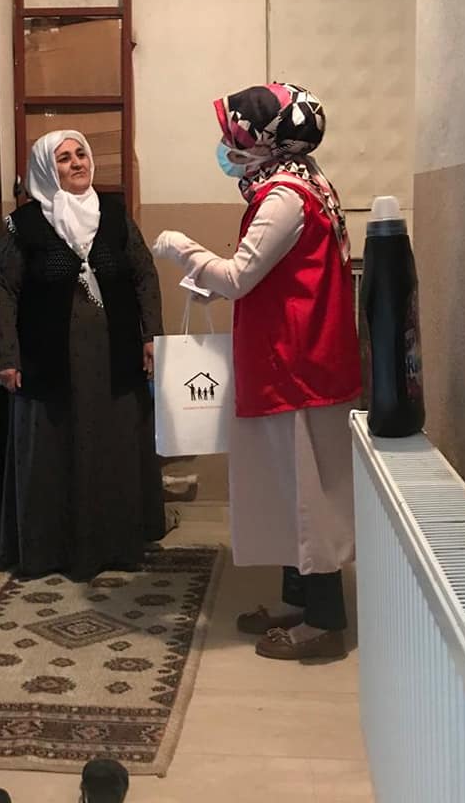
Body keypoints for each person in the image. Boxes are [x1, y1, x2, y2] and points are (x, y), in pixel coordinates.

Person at [154, 83, 362, 661]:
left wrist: (182, 248)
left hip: (296, 366)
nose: (227, 146)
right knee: (290, 489)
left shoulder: (284, 197)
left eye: (234, 135)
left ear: (262, 138)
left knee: (306, 495)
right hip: (294, 358)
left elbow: (239, 276)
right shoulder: (302, 183)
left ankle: (324, 624)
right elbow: (269, 277)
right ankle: (299, 603)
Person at [0, 130, 165, 580]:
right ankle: (52, 550)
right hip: (48, 361)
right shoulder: (25, 225)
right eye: (64, 159)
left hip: (113, 356)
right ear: (47, 170)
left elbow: (144, 275)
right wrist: (6, 356)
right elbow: (5, 291)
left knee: (113, 445)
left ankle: (116, 544)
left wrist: (152, 336)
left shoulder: (115, 216)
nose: (77, 164)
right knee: (52, 451)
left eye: (81, 154)